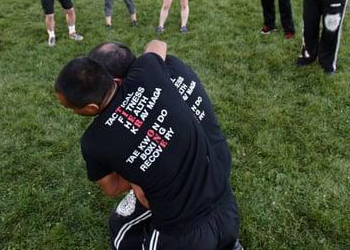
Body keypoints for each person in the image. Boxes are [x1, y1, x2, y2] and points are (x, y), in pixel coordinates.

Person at [55, 40, 240, 250]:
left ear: (90, 108)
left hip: (182, 236)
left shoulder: (93, 142)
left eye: (71, 108)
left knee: (121, 231)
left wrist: (142, 163)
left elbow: (114, 187)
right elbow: (157, 43)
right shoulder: (149, 71)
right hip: (226, 207)